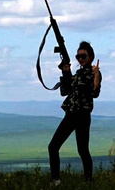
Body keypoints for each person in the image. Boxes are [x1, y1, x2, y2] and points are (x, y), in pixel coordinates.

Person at [48, 41, 102, 185]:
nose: (80, 59)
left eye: (83, 56)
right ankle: (56, 180)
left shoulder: (94, 73)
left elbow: (95, 92)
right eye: (78, 56)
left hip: (82, 115)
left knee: (82, 150)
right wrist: (65, 71)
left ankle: (88, 180)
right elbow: (65, 91)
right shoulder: (77, 74)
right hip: (71, 114)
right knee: (54, 146)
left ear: (91, 57)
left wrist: (96, 75)